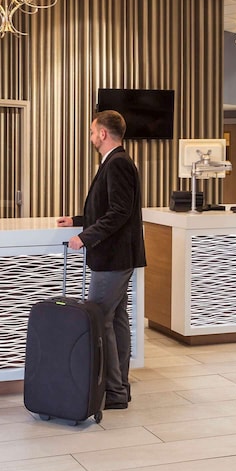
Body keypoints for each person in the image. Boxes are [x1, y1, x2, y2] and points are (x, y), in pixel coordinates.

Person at [57, 110, 145, 409]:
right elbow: (109, 209)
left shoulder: (117, 163)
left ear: (103, 133)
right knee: (115, 319)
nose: (92, 137)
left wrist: (86, 236)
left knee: (100, 319)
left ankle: (114, 391)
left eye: (93, 131)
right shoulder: (116, 161)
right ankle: (119, 389)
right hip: (116, 255)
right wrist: (78, 221)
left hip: (113, 257)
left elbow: (119, 212)